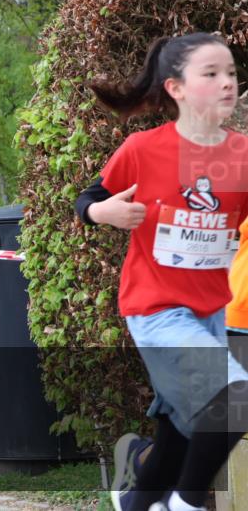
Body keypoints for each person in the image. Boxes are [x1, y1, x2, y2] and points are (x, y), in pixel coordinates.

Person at [73, 33, 248, 511]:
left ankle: (138, 500)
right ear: (176, 88)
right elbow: (87, 200)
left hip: (211, 312)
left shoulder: (241, 155)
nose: (227, 83)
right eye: (211, 74)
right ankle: (186, 504)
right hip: (155, 308)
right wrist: (103, 212)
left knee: (178, 434)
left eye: (231, 73)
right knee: (236, 398)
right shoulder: (143, 149)